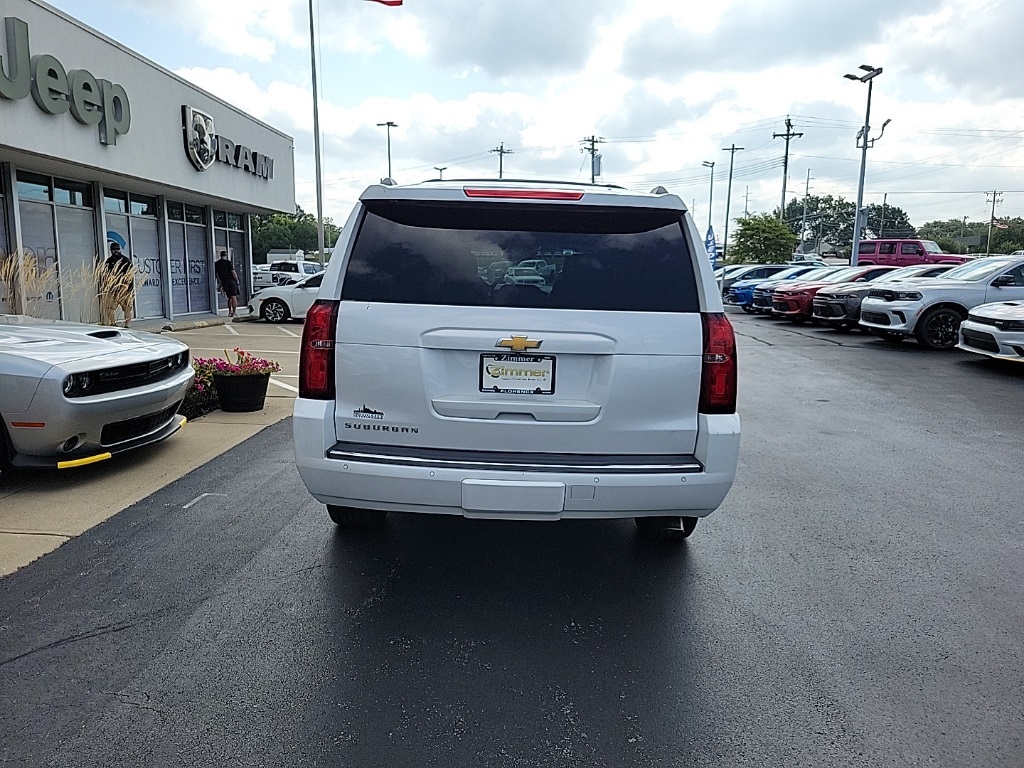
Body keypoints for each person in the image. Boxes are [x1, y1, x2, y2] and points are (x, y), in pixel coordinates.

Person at [103, 242, 135, 327]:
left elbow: (130, 276)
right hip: (112, 289)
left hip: (124, 289)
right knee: (109, 307)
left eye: (117, 249)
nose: (116, 251)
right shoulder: (109, 261)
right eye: (114, 249)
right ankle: (113, 324)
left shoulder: (126, 261)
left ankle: (127, 326)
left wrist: (127, 287)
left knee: (127, 308)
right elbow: (106, 274)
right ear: (111, 250)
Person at [215, 250, 241, 317]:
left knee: (229, 297)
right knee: (234, 297)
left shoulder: (217, 263)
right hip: (231, 281)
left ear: (221, 255)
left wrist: (220, 283)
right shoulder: (228, 263)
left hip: (224, 282)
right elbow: (233, 272)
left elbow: (217, 275)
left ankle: (230, 311)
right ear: (226, 256)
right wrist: (237, 280)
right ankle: (234, 312)